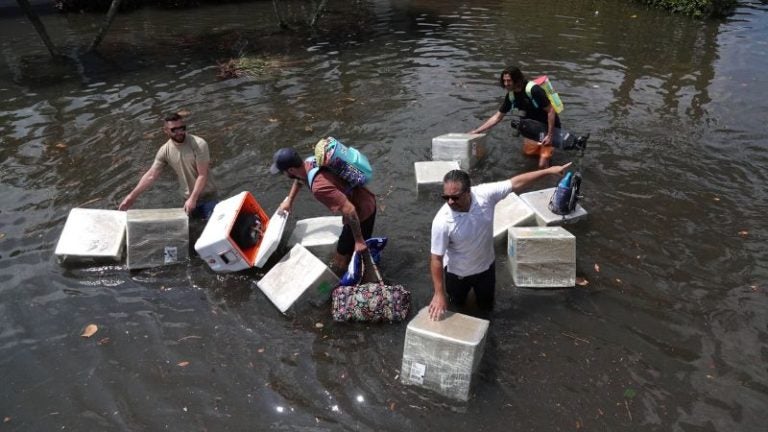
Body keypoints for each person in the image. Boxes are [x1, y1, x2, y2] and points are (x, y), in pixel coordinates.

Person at [428, 162, 572, 321]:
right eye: (446, 197)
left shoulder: (485, 194)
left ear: (468, 191)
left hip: (485, 270)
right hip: (457, 275)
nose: (450, 202)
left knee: (487, 308)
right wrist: (438, 293)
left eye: (455, 197)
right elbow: (436, 258)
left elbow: (516, 183)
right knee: (458, 309)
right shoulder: (441, 221)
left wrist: (549, 171)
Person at [270, 146, 377, 275]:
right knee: (344, 253)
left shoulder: (319, 187)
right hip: (364, 199)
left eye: (283, 172)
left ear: (291, 170)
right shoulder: (310, 162)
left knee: (341, 261)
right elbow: (299, 180)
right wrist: (289, 201)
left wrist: (359, 240)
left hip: (362, 212)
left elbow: (349, 210)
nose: (284, 175)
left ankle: (359, 275)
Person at [118, 113, 218, 219]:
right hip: (187, 199)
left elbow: (202, 175)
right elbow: (151, 175)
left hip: (208, 198)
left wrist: (193, 199)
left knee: (211, 226)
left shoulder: (199, 144)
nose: (179, 132)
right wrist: (131, 197)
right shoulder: (164, 150)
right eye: (174, 129)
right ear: (165, 130)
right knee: (192, 230)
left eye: (182, 128)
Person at [470, 66, 561, 169]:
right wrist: (477, 131)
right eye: (504, 81)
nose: (506, 84)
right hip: (532, 128)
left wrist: (550, 135)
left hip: (547, 127)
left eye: (509, 81)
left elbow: (551, 110)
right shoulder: (511, 96)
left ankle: (551, 176)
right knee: (529, 156)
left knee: (542, 164)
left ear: (517, 79)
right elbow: (497, 117)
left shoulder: (534, 90)